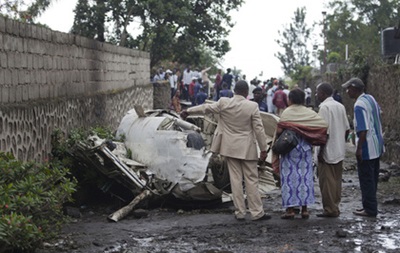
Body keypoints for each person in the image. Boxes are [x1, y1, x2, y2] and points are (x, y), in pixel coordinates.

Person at [180, 81, 271, 221]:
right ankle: (257, 212)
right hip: (247, 148)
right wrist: (263, 149)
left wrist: (188, 111)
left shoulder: (224, 103)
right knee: (251, 180)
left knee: (235, 180)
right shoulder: (252, 106)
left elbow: (206, 108)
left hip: (230, 147)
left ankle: (240, 212)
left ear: (234, 91)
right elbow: (259, 129)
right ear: (247, 92)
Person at [272, 88, 328, 219]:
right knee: (304, 179)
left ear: (290, 99)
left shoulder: (287, 112)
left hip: (289, 149)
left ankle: (290, 210)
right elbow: (322, 125)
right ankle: (304, 210)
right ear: (303, 99)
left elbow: (280, 130)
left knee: (289, 179)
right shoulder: (309, 113)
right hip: (305, 150)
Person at [342, 77, 384, 217]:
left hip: (367, 147)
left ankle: (370, 209)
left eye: (348, 89)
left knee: (366, 179)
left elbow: (363, 130)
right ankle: (368, 205)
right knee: (372, 177)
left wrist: (359, 148)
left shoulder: (359, 105)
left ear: (354, 89)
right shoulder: (370, 98)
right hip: (377, 145)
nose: (347, 91)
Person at [315, 82, 350, 218]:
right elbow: (347, 129)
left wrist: (321, 151)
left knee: (326, 182)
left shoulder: (324, 108)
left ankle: (330, 209)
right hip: (339, 150)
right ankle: (335, 206)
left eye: (317, 92)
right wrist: (341, 142)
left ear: (323, 93)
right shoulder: (340, 106)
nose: (316, 95)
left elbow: (324, 132)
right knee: (336, 181)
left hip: (328, 150)